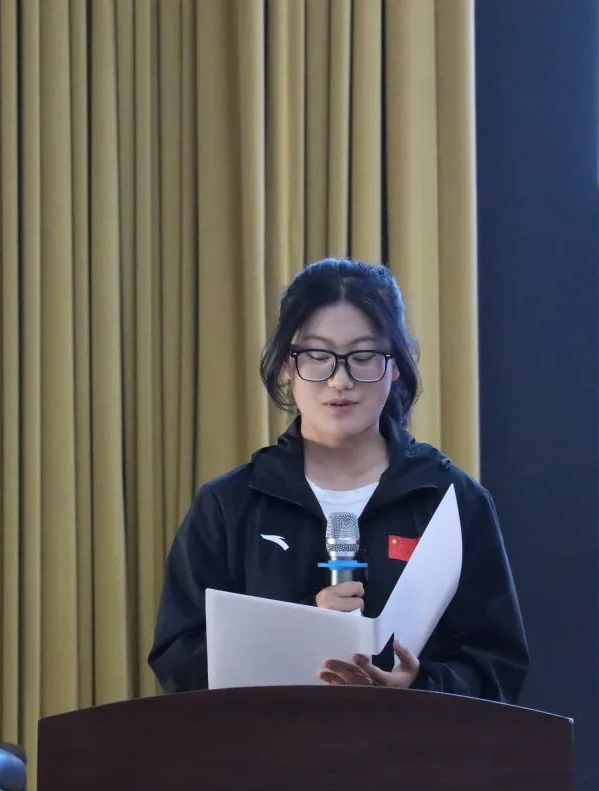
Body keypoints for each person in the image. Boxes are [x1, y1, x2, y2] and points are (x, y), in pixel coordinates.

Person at [148, 257, 529, 699]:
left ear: (396, 365)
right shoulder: (229, 505)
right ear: (286, 364)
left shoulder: (451, 499)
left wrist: (420, 686)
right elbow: (179, 657)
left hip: (413, 742)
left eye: (363, 357)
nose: (340, 380)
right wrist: (301, 633)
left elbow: (498, 665)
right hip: (270, 741)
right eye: (317, 356)